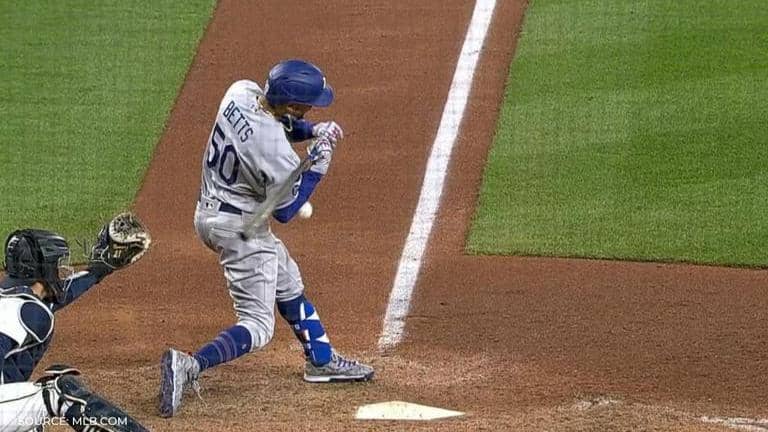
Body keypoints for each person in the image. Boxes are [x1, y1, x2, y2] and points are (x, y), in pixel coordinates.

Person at [158, 59, 373, 418]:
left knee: (288, 281)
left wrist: (313, 130)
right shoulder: (273, 151)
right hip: (240, 229)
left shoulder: (241, 91)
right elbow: (286, 211)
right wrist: (317, 168)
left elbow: (277, 124)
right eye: (307, 107)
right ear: (291, 104)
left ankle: (321, 360)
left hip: (211, 210)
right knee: (257, 325)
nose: (310, 109)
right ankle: (190, 365)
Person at [0, 216, 150, 431]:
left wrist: (99, 269)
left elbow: (59, 297)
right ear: (42, 270)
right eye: (55, 266)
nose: (59, 272)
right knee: (59, 393)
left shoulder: (17, 301)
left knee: (30, 421)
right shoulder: (23, 310)